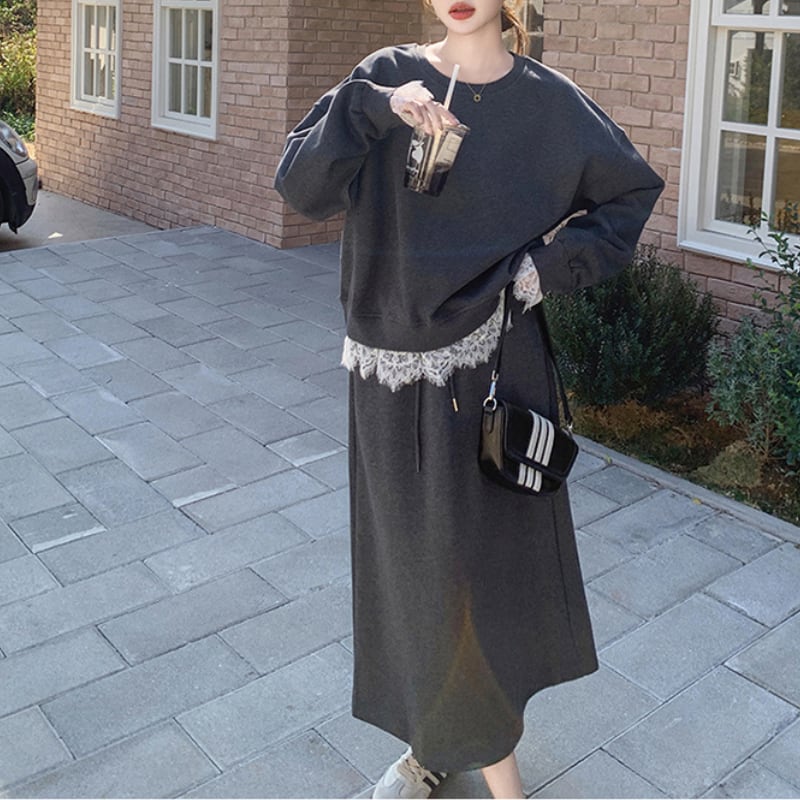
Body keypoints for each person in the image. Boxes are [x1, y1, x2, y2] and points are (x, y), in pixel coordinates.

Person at [275, 1, 664, 797]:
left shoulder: (549, 103)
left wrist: (543, 270)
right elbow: (301, 189)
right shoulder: (385, 77)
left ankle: (484, 763)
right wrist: (374, 110)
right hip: (388, 375)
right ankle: (433, 744)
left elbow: (631, 192)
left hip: (493, 369)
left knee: (481, 578)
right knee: (414, 576)